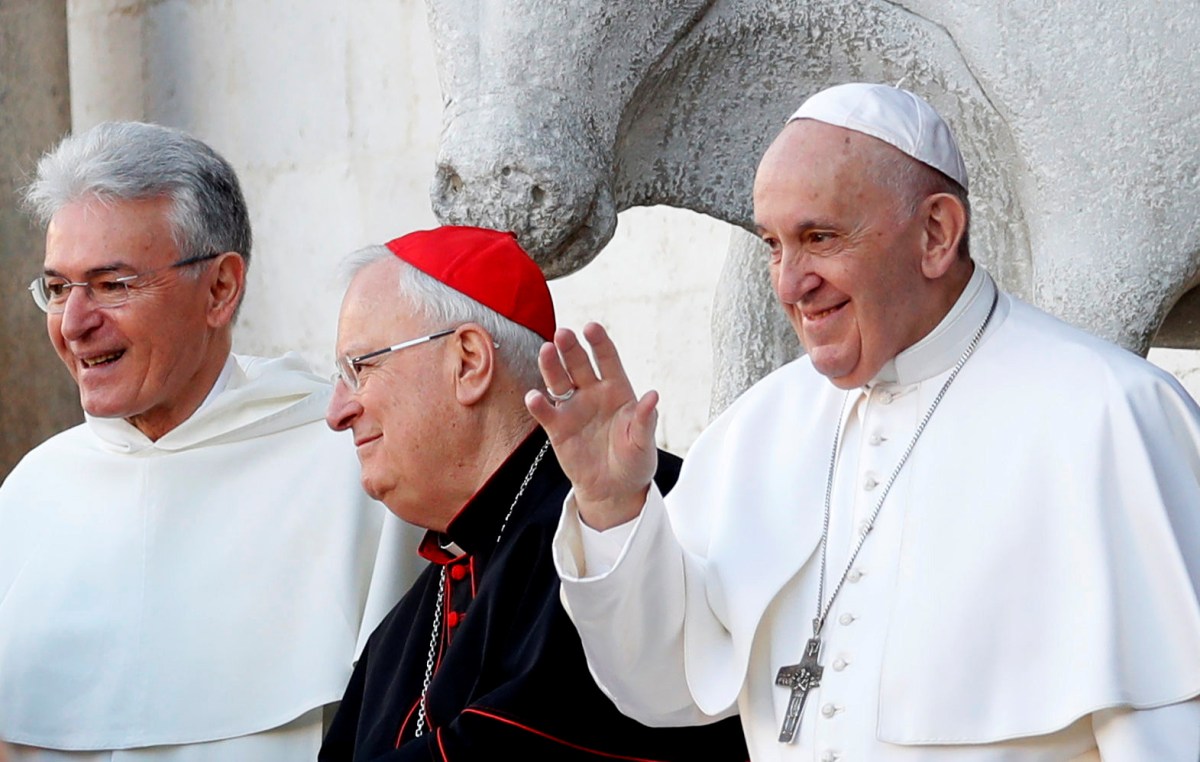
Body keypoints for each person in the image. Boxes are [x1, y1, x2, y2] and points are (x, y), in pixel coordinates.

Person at [526, 83, 1200, 761]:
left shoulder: (1112, 416)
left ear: (935, 233)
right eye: (773, 244)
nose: (790, 283)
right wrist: (613, 508)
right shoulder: (755, 431)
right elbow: (664, 686)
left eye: (819, 238)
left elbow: (1172, 735)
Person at [0, 122, 419, 761]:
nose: (75, 323)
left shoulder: (350, 465)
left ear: (220, 289)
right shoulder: (33, 491)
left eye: (112, 285)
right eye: (58, 289)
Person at [319, 225, 748, 761]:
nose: (337, 412)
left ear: (469, 362)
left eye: (359, 369)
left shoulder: (635, 521)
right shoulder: (396, 637)